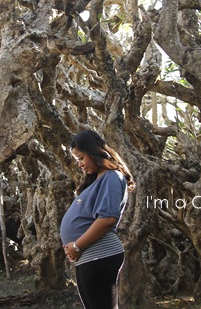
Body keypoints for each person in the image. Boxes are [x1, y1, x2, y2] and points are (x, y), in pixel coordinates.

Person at [60, 129, 135, 309]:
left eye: (81, 157)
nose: (79, 164)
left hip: (99, 255)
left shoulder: (111, 177)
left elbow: (107, 219)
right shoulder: (98, 180)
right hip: (89, 257)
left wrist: (77, 245)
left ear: (94, 152)